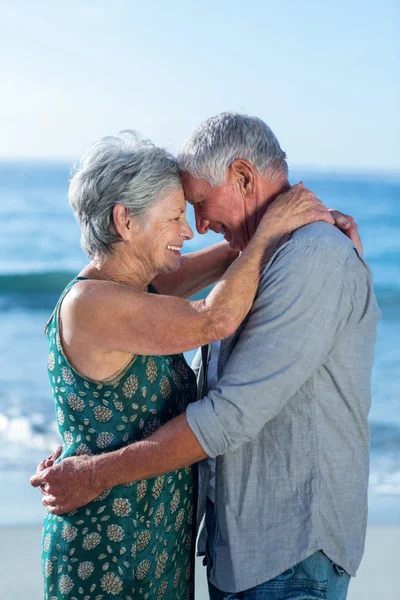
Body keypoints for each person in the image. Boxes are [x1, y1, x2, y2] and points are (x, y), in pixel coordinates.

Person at [31, 114, 376, 600]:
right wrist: (268, 229)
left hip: (221, 549)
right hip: (116, 541)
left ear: (241, 177)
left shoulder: (145, 286)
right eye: (177, 214)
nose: (194, 228)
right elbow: (212, 319)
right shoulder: (96, 301)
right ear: (124, 221)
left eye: (193, 206)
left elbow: (215, 267)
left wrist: (273, 230)